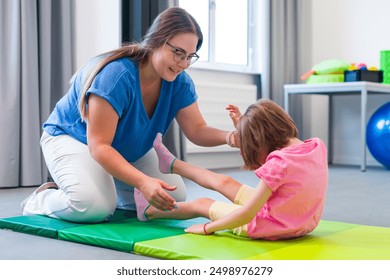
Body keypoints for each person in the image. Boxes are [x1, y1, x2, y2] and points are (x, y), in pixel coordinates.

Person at [20, 7, 237, 223]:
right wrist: (142, 182)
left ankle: (105, 186)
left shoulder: (180, 82)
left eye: (190, 56)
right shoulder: (115, 76)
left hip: (122, 147)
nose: (184, 63)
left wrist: (231, 137)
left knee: (171, 196)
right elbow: (99, 146)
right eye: (178, 53)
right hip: (74, 139)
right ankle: (42, 198)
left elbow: (197, 130)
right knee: (93, 206)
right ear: (156, 41)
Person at [135, 99, 329, 240]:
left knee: (202, 203)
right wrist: (244, 127)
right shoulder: (315, 145)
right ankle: (172, 164)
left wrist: (208, 227)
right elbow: (284, 170)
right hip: (299, 219)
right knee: (225, 182)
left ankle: (149, 211)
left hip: (271, 225)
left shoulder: (279, 164)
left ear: (261, 138)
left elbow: (246, 214)